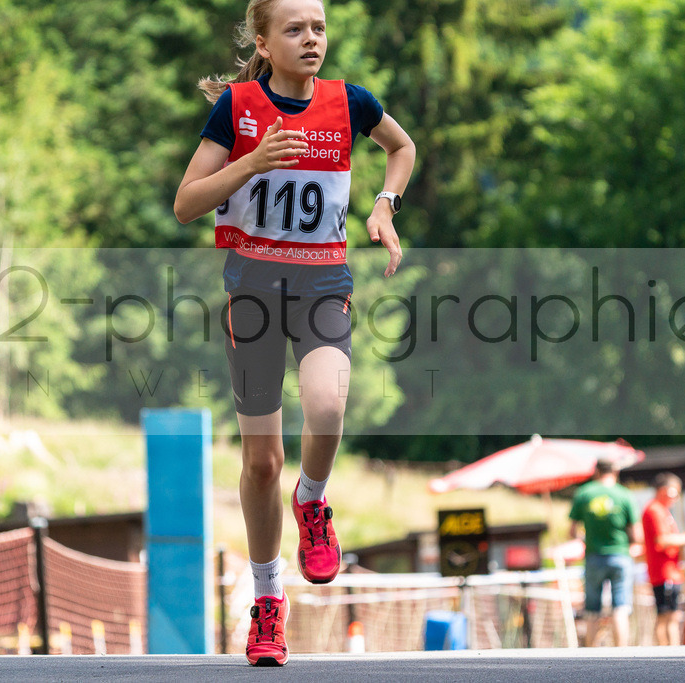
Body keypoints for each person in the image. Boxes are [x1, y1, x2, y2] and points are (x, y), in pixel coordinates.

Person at [174, 0, 415, 667]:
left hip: (321, 285)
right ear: (264, 40)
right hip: (251, 293)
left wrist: (383, 204)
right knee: (260, 462)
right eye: (295, 29)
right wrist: (249, 164)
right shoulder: (239, 109)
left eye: (319, 27)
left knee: (329, 404)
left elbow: (403, 147)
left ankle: (313, 499)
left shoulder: (350, 102)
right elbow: (187, 202)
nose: (312, 39)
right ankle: (268, 599)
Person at [569, 457, 642, 647]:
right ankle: (622, 653)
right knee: (621, 607)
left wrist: (586, 538)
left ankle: (592, 654)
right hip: (620, 555)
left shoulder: (584, 493)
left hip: (594, 556)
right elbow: (636, 533)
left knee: (592, 609)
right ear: (615, 472)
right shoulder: (624, 495)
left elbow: (572, 531)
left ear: (596, 472)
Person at [641, 472, 685, 646]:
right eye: (675, 492)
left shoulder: (662, 511)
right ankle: (668, 653)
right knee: (667, 616)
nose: (677, 497)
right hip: (663, 572)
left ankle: (672, 651)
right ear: (665, 490)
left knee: (672, 615)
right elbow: (663, 540)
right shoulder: (655, 510)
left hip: (670, 571)